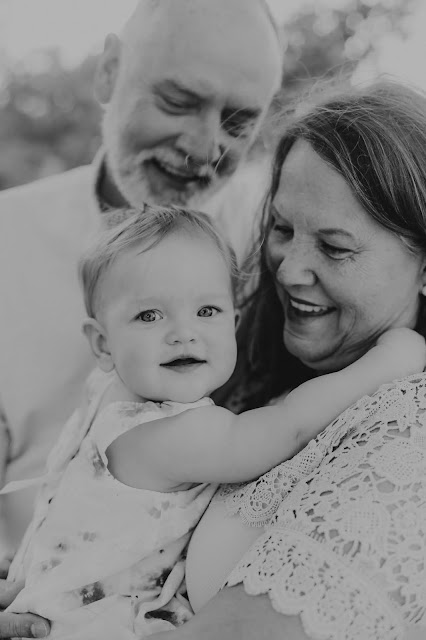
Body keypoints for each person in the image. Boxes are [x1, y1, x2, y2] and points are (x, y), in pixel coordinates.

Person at [4, 205, 421, 640]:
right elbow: (288, 425)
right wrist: (383, 365)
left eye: (207, 311)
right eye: (149, 315)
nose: (183, 333)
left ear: (233, 322)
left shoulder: (109, 395)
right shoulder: (167, 436)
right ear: (103, 343)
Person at [120, 79, 426, 640]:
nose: (286, 270)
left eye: (335, 247)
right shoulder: (267, 371)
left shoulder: (408, 447)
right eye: (282, 229)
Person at [0, 0, 283, 565]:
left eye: (238, 122)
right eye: (179, 102)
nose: (203, 149)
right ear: (109, 71)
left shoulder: (269, 258)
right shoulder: (7, 239)